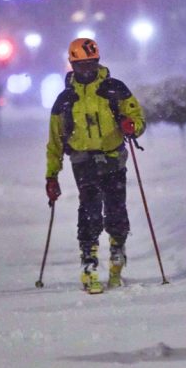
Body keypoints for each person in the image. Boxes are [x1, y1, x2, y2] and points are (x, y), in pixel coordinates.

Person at [45, 38, 146, 294]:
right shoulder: (65, 100)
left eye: (91, 64)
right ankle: (89, 262)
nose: (87, 70)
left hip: (113, 158)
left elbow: (138, 118)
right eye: (81, 65)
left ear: (98, 62)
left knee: (116, 208)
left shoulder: (115, 89)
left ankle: (117, 252)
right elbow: (55, 141)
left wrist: (132, 126)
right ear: (72, 65)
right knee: (89, 209)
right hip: (83, 161)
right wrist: (52, 176)